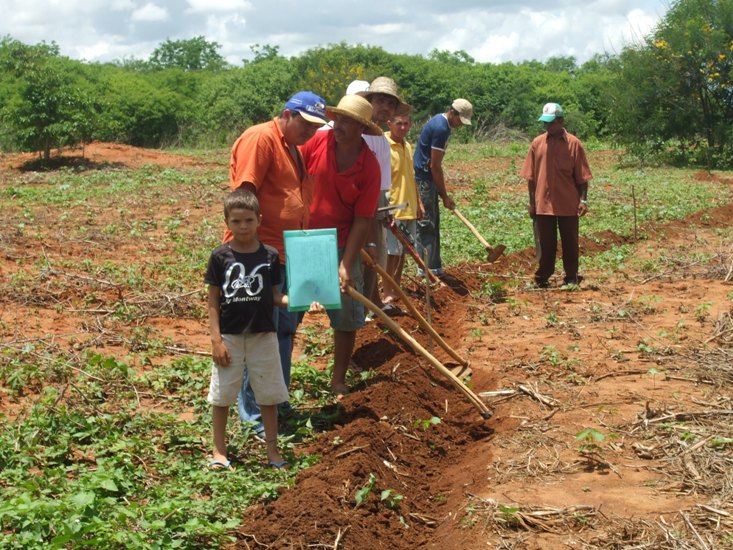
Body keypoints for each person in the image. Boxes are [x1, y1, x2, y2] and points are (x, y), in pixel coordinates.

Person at [227, 91, 329, 436]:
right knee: (259, 336)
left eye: (317, 127)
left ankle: (277, 399)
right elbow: (244, 197)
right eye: (307, 124)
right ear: (287, 114)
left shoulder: (293, 148)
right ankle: (254, 416)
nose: (312, 133)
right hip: (262, 256)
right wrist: (251, 254)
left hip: (290, 253)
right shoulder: (261, 138)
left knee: (284, 329)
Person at [301, 94, 382, 395]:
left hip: (341, 242)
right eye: (339, 118)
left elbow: (363, 220)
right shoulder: (317, 143)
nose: (340, 125)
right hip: (305, 239)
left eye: (349, 121)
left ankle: (338, 380)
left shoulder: (368, 167)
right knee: (292, 309)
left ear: (362, 128)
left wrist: (346, 263)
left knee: (346, 316)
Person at [206, 190, 290, 470]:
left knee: (268, 395)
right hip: (230, 336)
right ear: (227, 222)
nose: (243, 226)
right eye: (237, 221)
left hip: (263, 336)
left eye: (249, 220)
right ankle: (219, 452)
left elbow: (276, 297)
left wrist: (300, 300)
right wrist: (216, 341)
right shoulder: (220, 257)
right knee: (222, 395)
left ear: (259, 220)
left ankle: (273, 452)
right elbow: (213, 301)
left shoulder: (269, 256)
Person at [520, 102, 592, 288]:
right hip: (543, 202)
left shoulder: (574, 144)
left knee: (570, 241)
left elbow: (582, 177)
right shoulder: (537, 143)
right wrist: (531, 203)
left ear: (561, 121)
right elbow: (531, 177)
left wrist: (583, 199)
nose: (547, 126)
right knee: (546, 243)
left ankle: (571, 276)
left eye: (551, 123)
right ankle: (543, 277)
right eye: (545, 123)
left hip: (568, 202)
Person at [353, 77, 411, 309]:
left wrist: (385, 208)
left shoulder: (383, 142)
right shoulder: (355, 132)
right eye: (380, 100)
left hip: (374, 208)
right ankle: (360, 309)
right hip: (352, 208)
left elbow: (382, 184)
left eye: (390, 103)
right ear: (369, 102)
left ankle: (371, 303)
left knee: (374, 258)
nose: (385, 107)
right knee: (355, 258)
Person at [413, 98, 473, 277]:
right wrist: (444, 195)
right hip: (424, 179)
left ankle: (434, 267)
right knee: (426, 223)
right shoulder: (441, 128)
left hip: (427, 178)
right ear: (452, 113)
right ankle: (426, 270)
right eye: (460, 121)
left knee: (433, 221)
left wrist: (440, 192)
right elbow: (435, 165)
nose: (461, 125)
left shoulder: (441, 123)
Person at [382, 113, 424, 308]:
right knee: (392, 254)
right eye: (399, 124)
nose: (403, 127)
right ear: (389, 123)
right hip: (393, 209)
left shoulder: (407, 145)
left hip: (409, 208)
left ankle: (396, 289)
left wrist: (419, 203)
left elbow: (412, 177)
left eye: (407, 124)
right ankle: (387, 293)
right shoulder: (384, 145)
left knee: (403, 253)